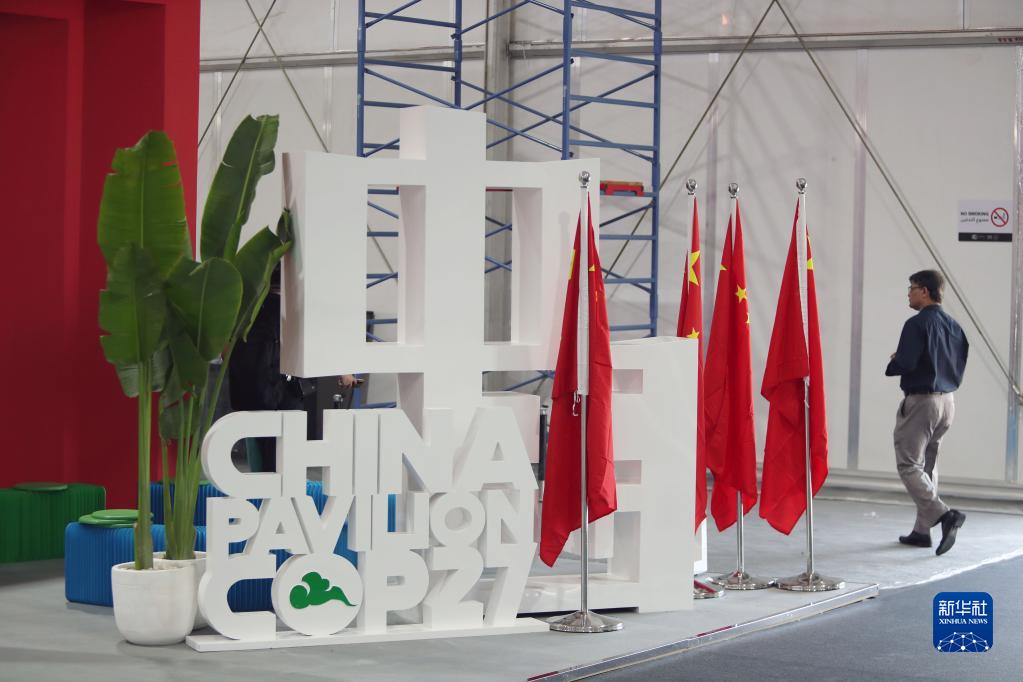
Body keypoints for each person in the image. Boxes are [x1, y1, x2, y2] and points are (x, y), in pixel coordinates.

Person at [885, 269, 969, 556]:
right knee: (928, 466)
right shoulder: (955, 327)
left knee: (909, 465)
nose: (908, 293)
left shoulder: (916, 323)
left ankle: (945, 515)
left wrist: (896, 360)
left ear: (924, 290)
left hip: (922, 401)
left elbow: (907, 362)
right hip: (947, 401)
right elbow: (957, 364)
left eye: (911, 288)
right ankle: (923, 531)